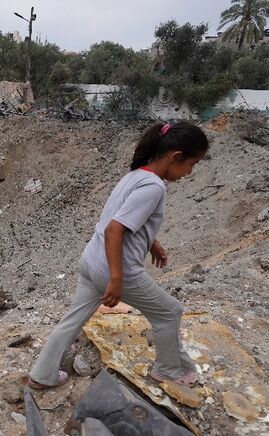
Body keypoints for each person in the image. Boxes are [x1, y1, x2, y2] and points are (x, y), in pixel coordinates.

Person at [28, 121, 209, 390]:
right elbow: (116, 230)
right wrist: (116, 279)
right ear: (176, 157)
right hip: (113, 268)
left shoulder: (136, 175)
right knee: (170, 312)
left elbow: (127, 221)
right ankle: (168, 371)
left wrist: (152, 243)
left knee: (72, 320)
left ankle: (42, 375)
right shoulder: (154, 187)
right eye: (191, 164)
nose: (189, 172)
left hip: (91, 260)